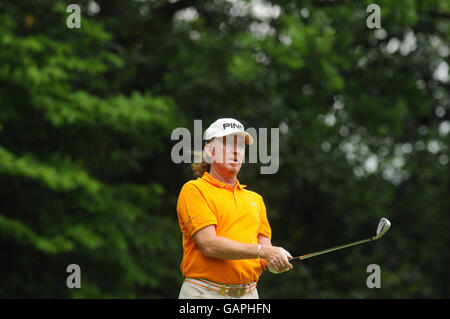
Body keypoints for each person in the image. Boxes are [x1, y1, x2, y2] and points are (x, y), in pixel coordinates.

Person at [176, 118, 293, 299]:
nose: (235, 150)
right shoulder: (195, 190)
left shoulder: (255, 200)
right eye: (227, 143)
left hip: (249, 295)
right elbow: (209, 244)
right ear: (209, 151)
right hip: (204, 294)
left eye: (240, 146)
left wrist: (276, 261)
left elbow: (264, 253)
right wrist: (265, 252)